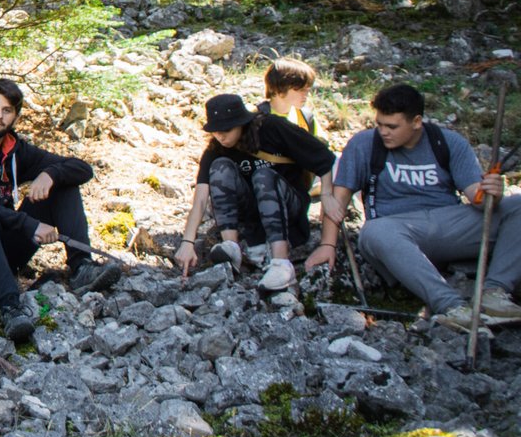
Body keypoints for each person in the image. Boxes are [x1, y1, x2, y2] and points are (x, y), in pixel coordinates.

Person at [314, 83, 521, 330]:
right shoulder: (364, 144)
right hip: (394, 229)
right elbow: (339, 199)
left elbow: (477, 199)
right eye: (380, 124)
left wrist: (491, 194)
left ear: (416, 122)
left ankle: (494, 292)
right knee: (374, 231)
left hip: (449, 223)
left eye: (392, 126)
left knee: (517, 205)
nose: (383, 132)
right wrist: (327, 245)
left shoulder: (447, 142)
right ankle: (452, 306)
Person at [0, 78, 116, 342]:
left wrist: (50, 174)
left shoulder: (15, 150)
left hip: (4, 249)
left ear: (16, 117)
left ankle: (81, 268)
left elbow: (82, 169)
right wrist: (30, 224)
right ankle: (10, 307)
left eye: (7, 110)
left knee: (63, 184)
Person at [175, 94, 340, 291]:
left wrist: (327, 195)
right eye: (216, 131)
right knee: (220, 167)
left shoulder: (272, 128)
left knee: (263, 176)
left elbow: (323, 157)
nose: (221, 137)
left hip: (288, 205)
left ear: (241, 123)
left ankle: (281, 263)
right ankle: (231, 247)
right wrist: (187, 242)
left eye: (226, 130)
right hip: (252, 212)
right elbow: (200, 200)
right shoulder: (216, 149)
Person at [259, 57, 319, 135]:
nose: (306, 94)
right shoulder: (255, 119)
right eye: (301, 89)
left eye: (308, 90)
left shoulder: (307, 118)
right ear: (279, 87)